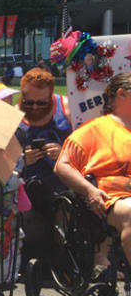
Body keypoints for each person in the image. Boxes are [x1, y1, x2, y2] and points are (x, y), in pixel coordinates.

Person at [55, 71, 131, 272]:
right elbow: (62, 165)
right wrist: (90, 191)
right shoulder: (96, 129)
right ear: (122, 94)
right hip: (116, 198)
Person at [14, 68, 72, 263]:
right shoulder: (13, 115)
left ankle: (63, 256)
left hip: (62, 176)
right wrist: (22, 158)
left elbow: (86, 147)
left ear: (51, 96)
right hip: (28, 180)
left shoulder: (67, 108)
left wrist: (63, 152)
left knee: (64, 198)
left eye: (42, 102)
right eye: (29, 102)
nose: (36, 107)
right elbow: (2, 160)